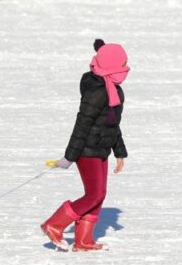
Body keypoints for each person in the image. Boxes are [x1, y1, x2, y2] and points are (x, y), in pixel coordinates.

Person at [41, 39, 130, 252]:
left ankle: (83, 241)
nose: (126, 68)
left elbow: (112, 124)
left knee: (99, 194)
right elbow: (81, 125)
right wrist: (69, 157)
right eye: (123, 64)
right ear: (112, 67)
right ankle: (54, 224)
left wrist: (119, 152)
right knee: (94, 194)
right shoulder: (97, 92)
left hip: (102, 149)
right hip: (86, 150)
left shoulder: (114, 90)